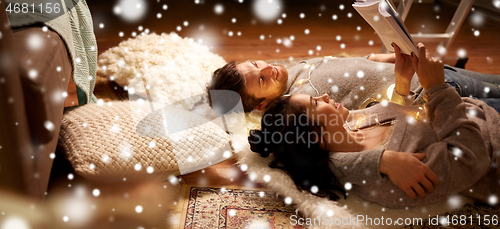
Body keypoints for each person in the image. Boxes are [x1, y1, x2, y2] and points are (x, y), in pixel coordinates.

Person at [248, 43, 500, 208]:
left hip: (478, 108)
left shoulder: (351, 125)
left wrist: (402, 82)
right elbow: (472, 156)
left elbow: (401, 115)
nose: (325, 96)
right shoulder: (391, 178)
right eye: (316, 103)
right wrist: (437, 89)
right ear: (316, 137)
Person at [207, 50, 500, 113]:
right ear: (261, 104)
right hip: (427, 92)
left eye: (257, 63)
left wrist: (378, 58)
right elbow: (365, 121)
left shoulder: (293, 70)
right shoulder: (298, 103)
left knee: (494, 80)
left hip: (429, 72)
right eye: (261, 78)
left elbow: (339, 64)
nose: (268, 67)